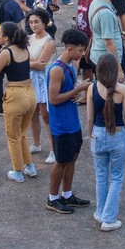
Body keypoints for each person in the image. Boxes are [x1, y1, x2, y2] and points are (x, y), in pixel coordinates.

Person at [45, 29, 92, 214]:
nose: (82, 54)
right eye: (81, 50)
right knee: (61, 161)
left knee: (71, 159)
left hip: (72, 122)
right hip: (61, 124)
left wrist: (75, 92)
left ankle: (67, 194)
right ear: (70, 49)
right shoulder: (56, 69)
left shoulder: (70, 67)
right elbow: (53, 98)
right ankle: (52, 198)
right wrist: (78, 89)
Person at [85, 53, 125, 232]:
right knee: (116, 177)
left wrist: (91, 135)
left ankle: (100, 212)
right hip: (118, 135)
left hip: (97, 134)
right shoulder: (123, 90)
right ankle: (109, 218)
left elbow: (89, 119)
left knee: (100, 176)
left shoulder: (91, 88)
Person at [0, 22, 38, 183]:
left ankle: (18, 170)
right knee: (22, 133)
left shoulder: (6, 52)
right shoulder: (24, 48)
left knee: (13, 136)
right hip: (30, 93)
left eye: (0, 33)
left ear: (7, 37)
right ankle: (29, 166)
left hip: (15, 96)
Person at [27, 9, 57, 162]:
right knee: (32, 113)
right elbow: (34, 63)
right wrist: (30, 64)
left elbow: (41, 64)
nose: (33, 25)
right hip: (32, 80)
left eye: (36, 22)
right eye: (31, 22)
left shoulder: (49, 41)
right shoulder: (29, 38)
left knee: (46, 115)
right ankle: (36, 143)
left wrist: (25, 63)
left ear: (44, 22)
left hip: (44, 81)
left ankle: (54, 149)